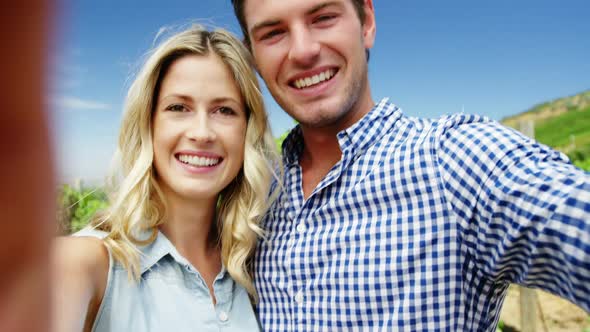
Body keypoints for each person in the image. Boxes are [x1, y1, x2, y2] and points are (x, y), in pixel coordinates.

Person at [230, 0, 590, 330]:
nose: (303, 51)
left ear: (366, 21)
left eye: (323, 18)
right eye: (274, 33)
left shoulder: (455, 162)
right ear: (252, 54)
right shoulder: (256, 194)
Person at [51, 24, 278, 332]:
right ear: (149, 124)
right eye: (178, 107)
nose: (201, 133)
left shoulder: (251, 267)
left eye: (224, 110)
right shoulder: (82, 263)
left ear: (247, 132)